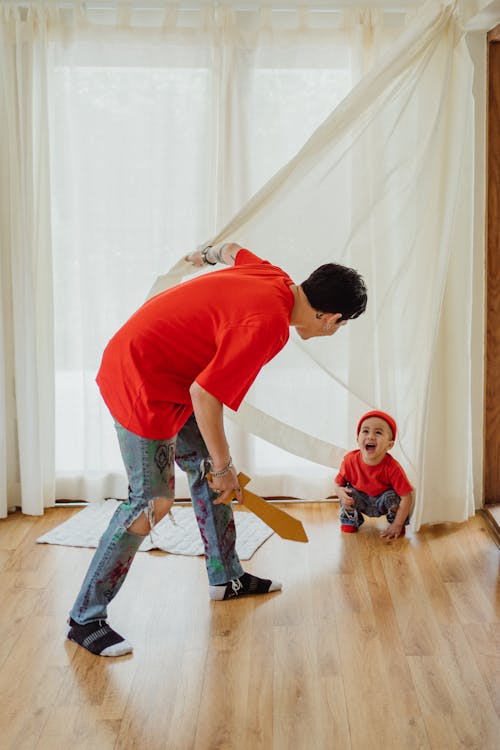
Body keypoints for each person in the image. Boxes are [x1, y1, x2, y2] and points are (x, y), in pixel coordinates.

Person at [66, 242, 367, 656]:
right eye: (341, 325)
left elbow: (232, 250)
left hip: (168, 374)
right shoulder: (270, 325)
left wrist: (203, 256)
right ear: (332, 318)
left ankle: (226, 578)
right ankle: (85, 617)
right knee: (151, 502)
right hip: (139, 378)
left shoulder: (273, 275)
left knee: (207, 467)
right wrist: (226, 467)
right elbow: (206, 395)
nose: (335, 331)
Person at [333, 410, 413, 540]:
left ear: (389, 445)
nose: (370, 436)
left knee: (393, 498)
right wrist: (339, 491)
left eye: (378, 432)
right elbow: (338, 483)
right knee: (347, 492)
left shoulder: (393, 467)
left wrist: (397, 524)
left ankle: (395, 522)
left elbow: (407, 497)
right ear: (357, 438)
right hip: (360, 499)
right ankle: (351, 520)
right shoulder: (349, 461)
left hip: (382, 501)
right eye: (365, 431)